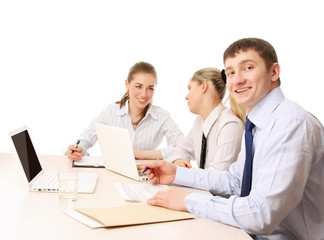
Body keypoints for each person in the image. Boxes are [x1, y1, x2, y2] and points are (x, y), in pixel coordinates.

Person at [143, 38, 324, 239]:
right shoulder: (257, 124)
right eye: (230, 72)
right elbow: (235, 181)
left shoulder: (290, 123)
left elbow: (261, 214)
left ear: (274, 72)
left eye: (247, 67)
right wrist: (176, 174)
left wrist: (188, 201)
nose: (237, 80)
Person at [67, 61, 184, 161]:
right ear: (127, 84)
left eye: (150, 88)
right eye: (138, 86)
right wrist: (78, 149)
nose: (144, 94)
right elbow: (86, 138)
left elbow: (182, 147)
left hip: (144, 176)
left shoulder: (162, 116)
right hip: (112, 174)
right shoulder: (110, 111)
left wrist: (140, 154)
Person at [165, 67, 245, 170]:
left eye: (189, 88)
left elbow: (217, 176)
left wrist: (183, 174)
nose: (186, 96)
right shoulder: (199, 122)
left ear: (203, 86)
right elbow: (181, 149)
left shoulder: (230, 126)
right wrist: (178, 160)